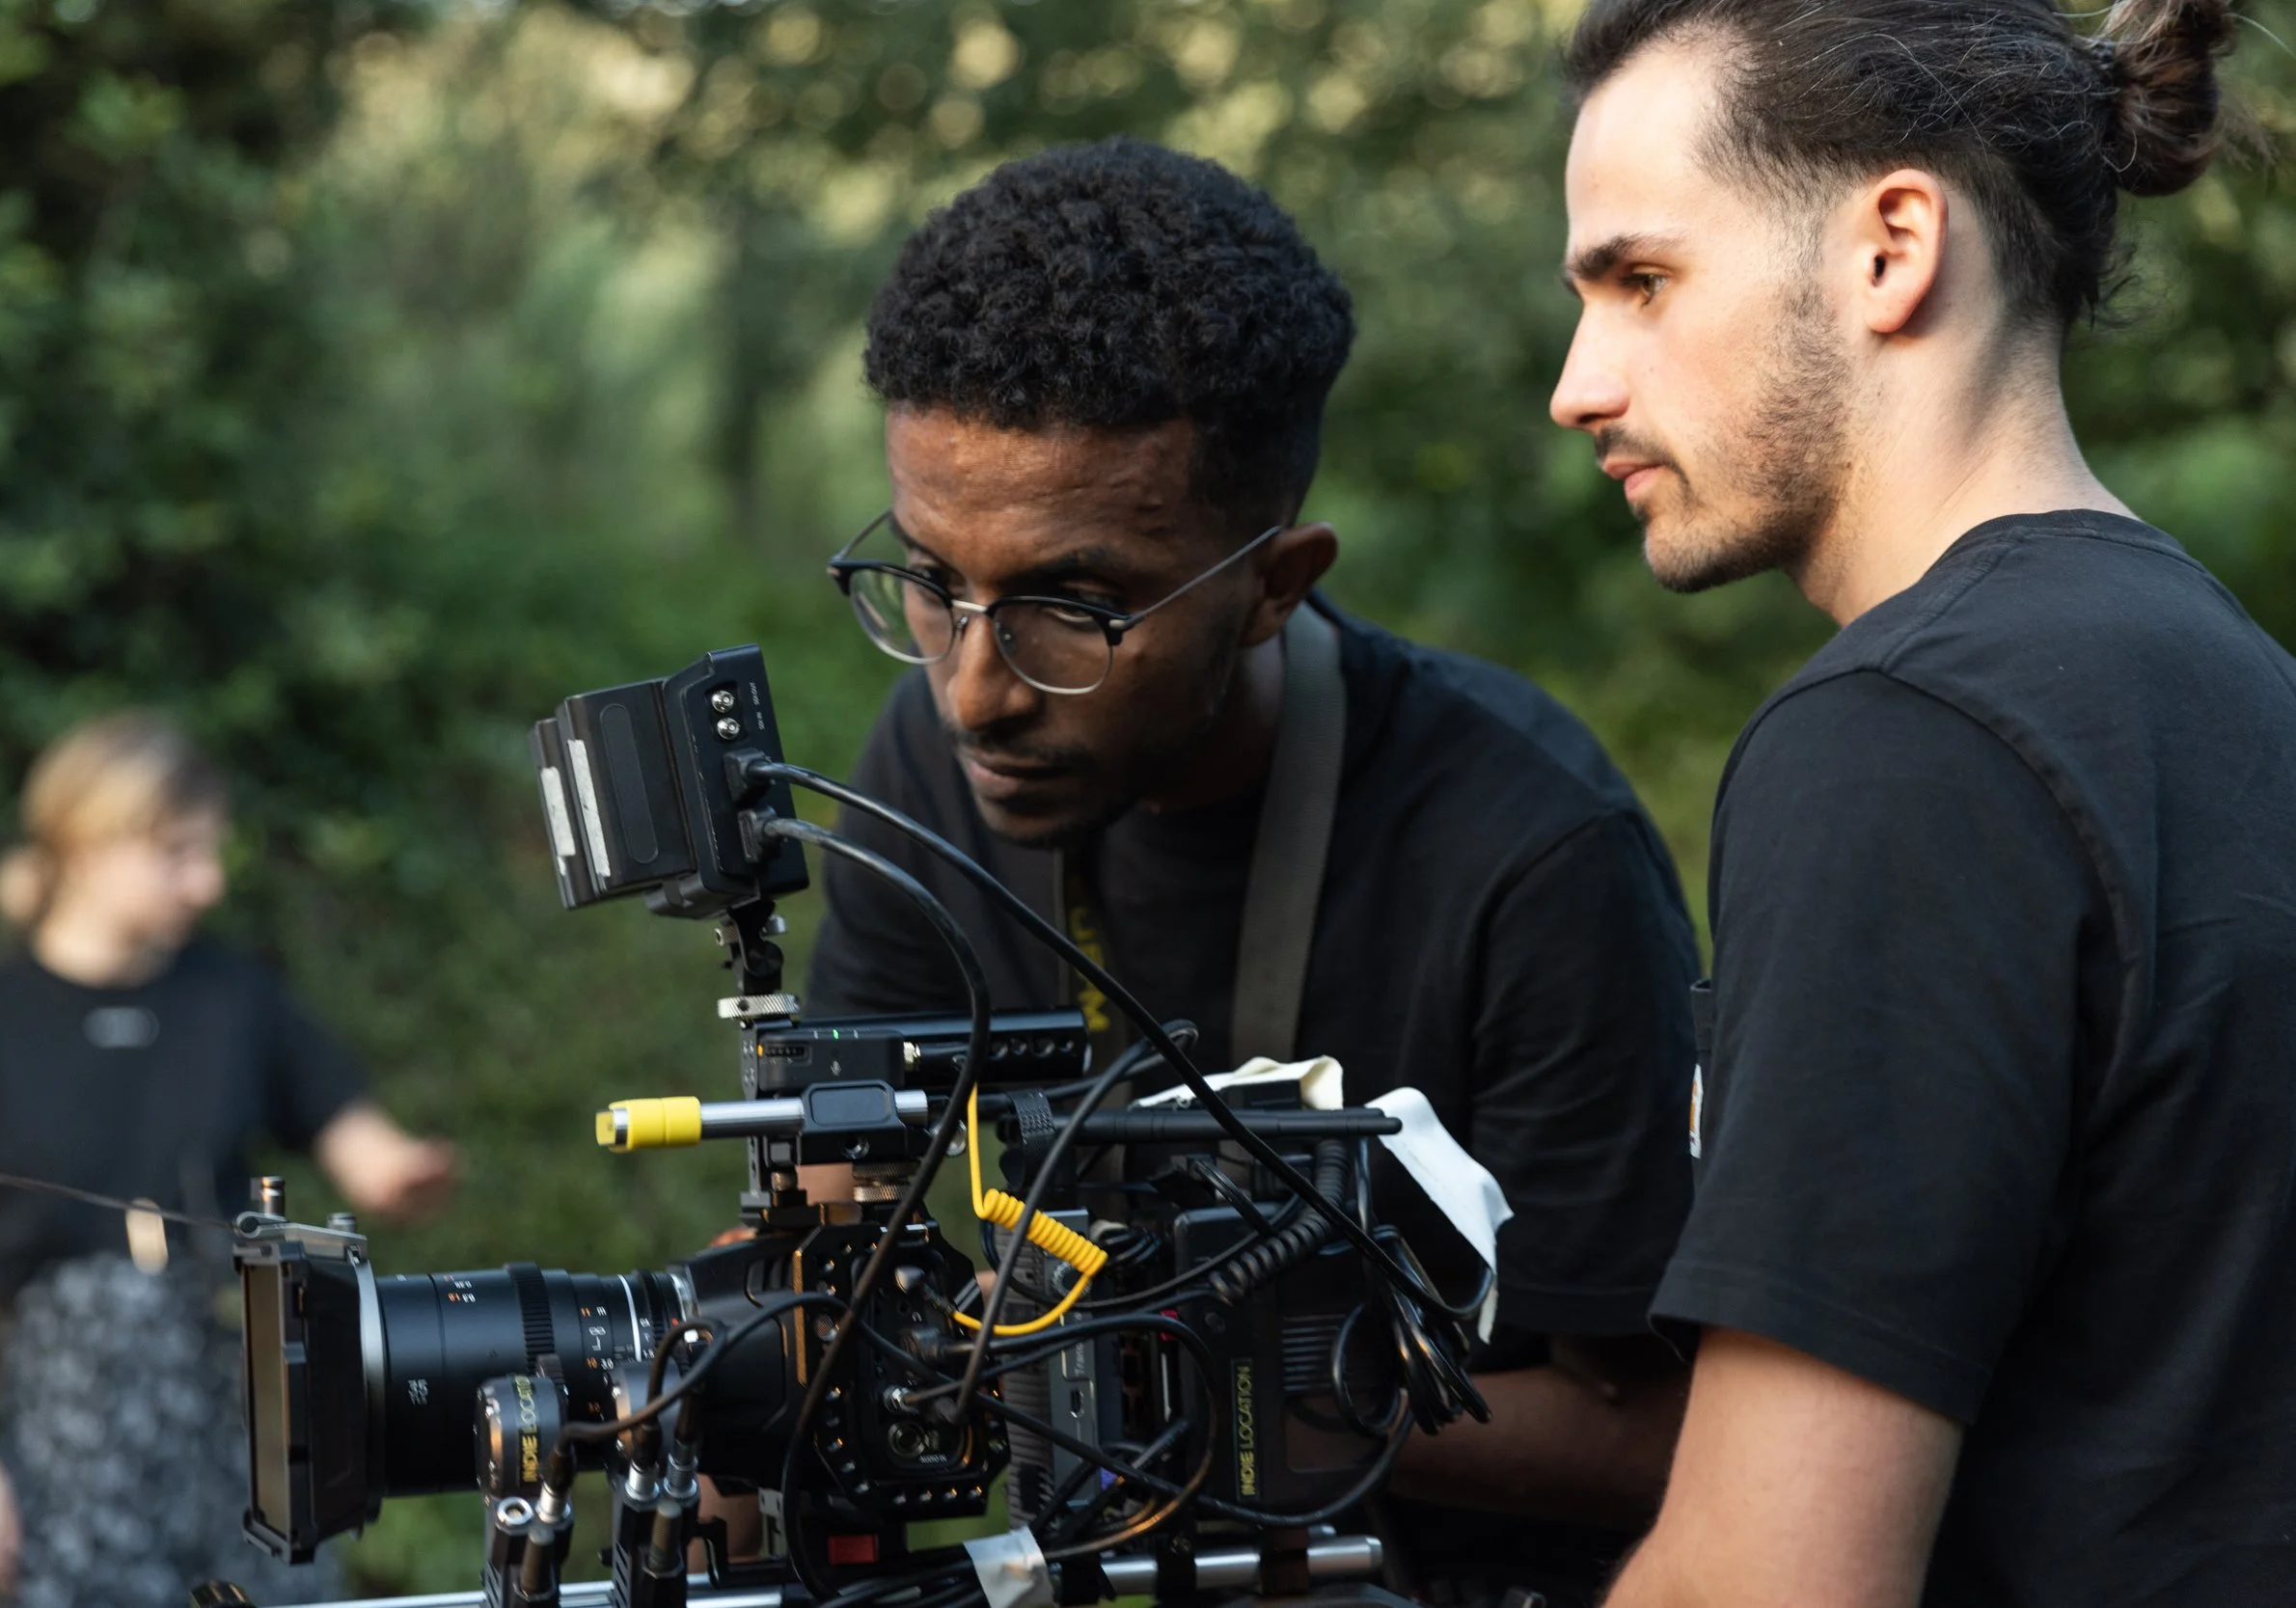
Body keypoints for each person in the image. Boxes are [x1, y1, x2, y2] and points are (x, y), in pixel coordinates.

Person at [804, 137, 1700, 1606]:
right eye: (930, 581)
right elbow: (831, 1222)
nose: (973, 690)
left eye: (1073, 608)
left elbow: (1655, 1436)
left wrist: (1173, 1389)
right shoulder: (928, 767)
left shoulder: (1529, 859)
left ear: (1275, 585)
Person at [1547, 2, 2295, 1604]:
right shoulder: (2232, 682)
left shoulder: (1904, 741)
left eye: (1642, 281)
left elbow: (1770, 1579)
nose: (1578, 384)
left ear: (1891, 247)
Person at [0, 712, 461, 1606]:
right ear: (88, 845)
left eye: (211, 850)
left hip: (249, 1402)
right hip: (68, 1431)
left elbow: (358, 1138)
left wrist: (399, 1170)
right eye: (179, 852)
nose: (207, 881)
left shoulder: (236, 995)